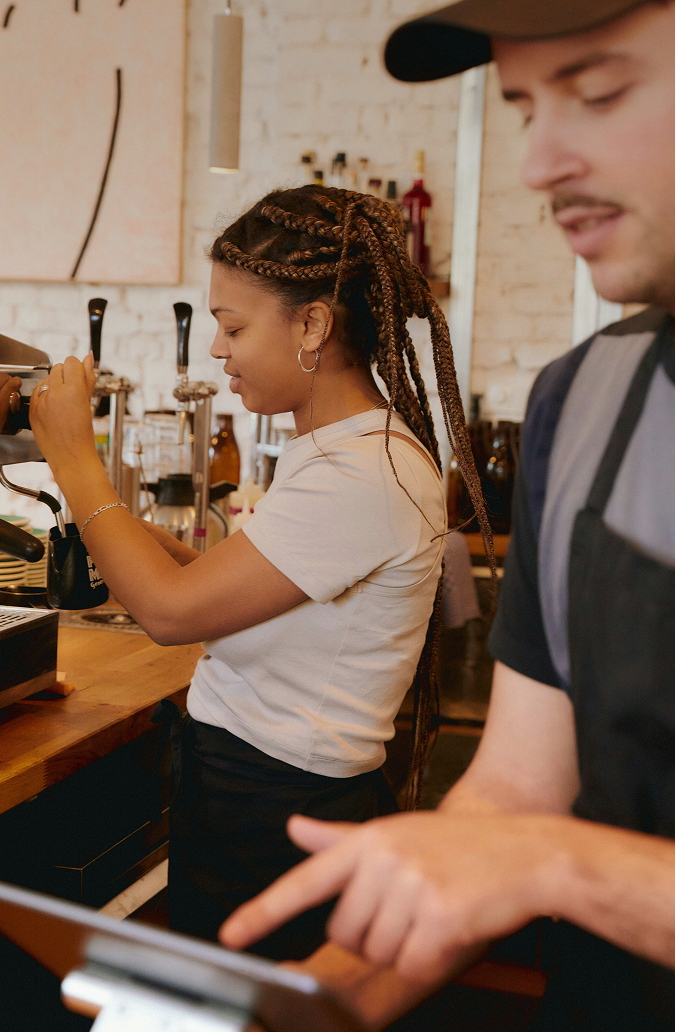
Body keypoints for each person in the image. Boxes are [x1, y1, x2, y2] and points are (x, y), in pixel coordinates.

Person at [218, 3, 675, 1030]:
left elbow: (531, 843)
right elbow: (514, 790)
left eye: (600, 94)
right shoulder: (583, 400)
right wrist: (292, 1009)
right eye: (524, 110)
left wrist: (556, 862)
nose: (540, 165)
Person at [29, 185, 492, 961]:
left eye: (233, 326)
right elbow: (252, 599)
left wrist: (73, 455)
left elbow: (171, 614)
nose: (218, 349)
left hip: (278, 811)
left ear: (311, 324)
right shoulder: (339, 450)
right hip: (253, 792)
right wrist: (143, 544)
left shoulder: (361, 472)